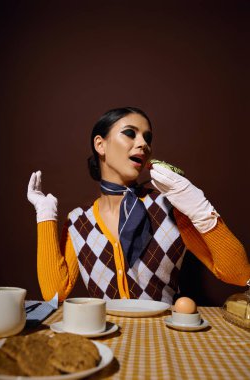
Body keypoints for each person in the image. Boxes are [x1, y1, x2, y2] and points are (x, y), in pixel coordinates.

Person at [27, 107, 250, 304]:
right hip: (105, 339)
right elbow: (54, 294)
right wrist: (45, 216)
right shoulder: (78, 221)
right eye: (130, 133)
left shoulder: (169, 208)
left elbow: (238, 275)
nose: (144, 144)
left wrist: (201, 209)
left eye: (147, 138)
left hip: (165, 341)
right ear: (100, 144)